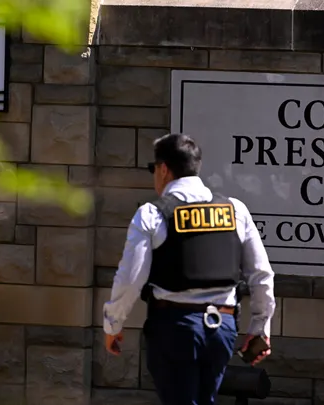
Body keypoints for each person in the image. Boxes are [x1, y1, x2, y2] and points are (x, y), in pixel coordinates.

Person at [102, 133, 276, 405]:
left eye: (153, 169)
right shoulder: (235, 210)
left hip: (175, 328)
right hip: (222, 327)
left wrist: (113, 323)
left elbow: (130, 278)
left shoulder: (152, 214)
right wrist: (260, 326)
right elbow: (261, 275)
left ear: (163, 169)